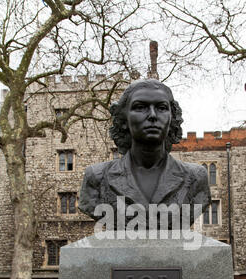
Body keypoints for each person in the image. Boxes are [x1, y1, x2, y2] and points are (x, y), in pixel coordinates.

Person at [78, 79, 211, 228]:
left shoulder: (196, 177)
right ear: (123, 120)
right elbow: (88, 204)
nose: (153, 115)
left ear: (172, 118)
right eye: (140, 107)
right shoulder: (96, 177)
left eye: (161, 108)